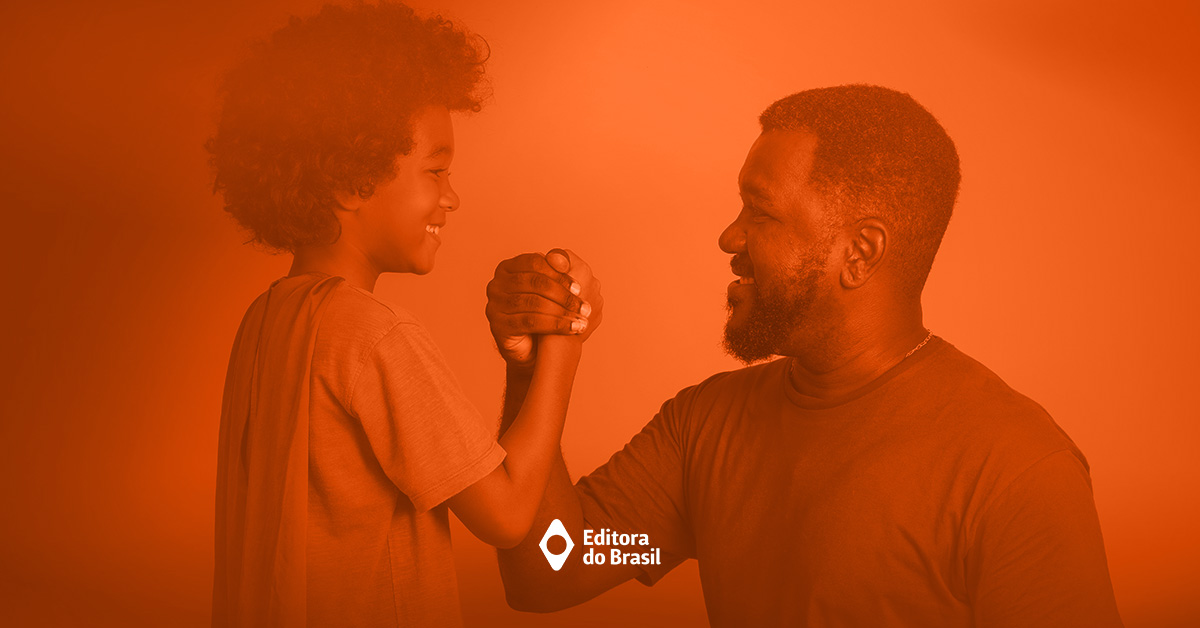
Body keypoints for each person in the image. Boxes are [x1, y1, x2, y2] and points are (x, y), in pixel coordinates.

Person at [486, 85, 1123, 627]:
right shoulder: (705, 426)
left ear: (861, 252)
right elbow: (554, 567)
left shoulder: (1016, 468)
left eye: (760, 212)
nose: (728, 237)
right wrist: (535, 365)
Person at [206, 3, 601, 626]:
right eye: (435, 171)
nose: (452, 196)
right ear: (350, 181)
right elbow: (507, 515)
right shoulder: (372, 334)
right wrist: (567, 341)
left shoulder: (266, 319)